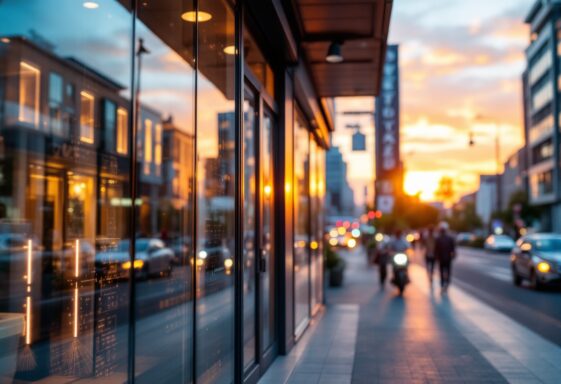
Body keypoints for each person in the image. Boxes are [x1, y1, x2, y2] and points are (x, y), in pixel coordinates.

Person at [434, 223, 456, 293]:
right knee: (446, 271)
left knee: (443, 272)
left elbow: (453, 249)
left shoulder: (441, 238)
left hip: (444, 258)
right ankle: (445, 284)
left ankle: (444, 284)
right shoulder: (441, 238)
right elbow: (453, 249)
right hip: (445, 258)